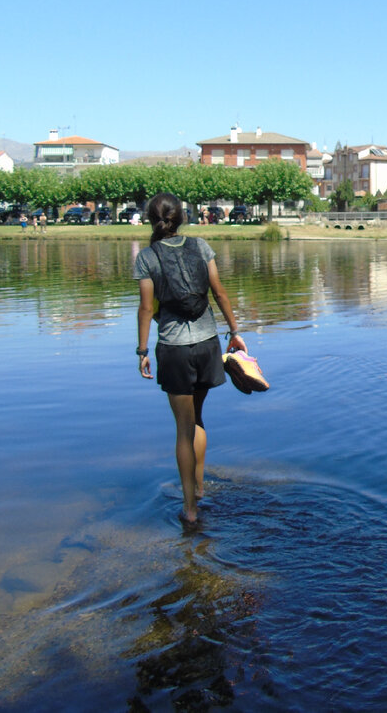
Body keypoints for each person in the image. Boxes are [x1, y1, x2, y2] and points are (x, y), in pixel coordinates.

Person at [134, 192, 246, 524]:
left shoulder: (147, 257)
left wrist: (142, 351)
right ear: (181, 217)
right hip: (208, 343)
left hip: (175, 349)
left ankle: (191, 509)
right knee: (197, 418)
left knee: (183, 429)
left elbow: (145, 308)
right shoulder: (200, 246)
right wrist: (235, 332)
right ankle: (199, 488)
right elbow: (219, 291)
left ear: (150, 219)